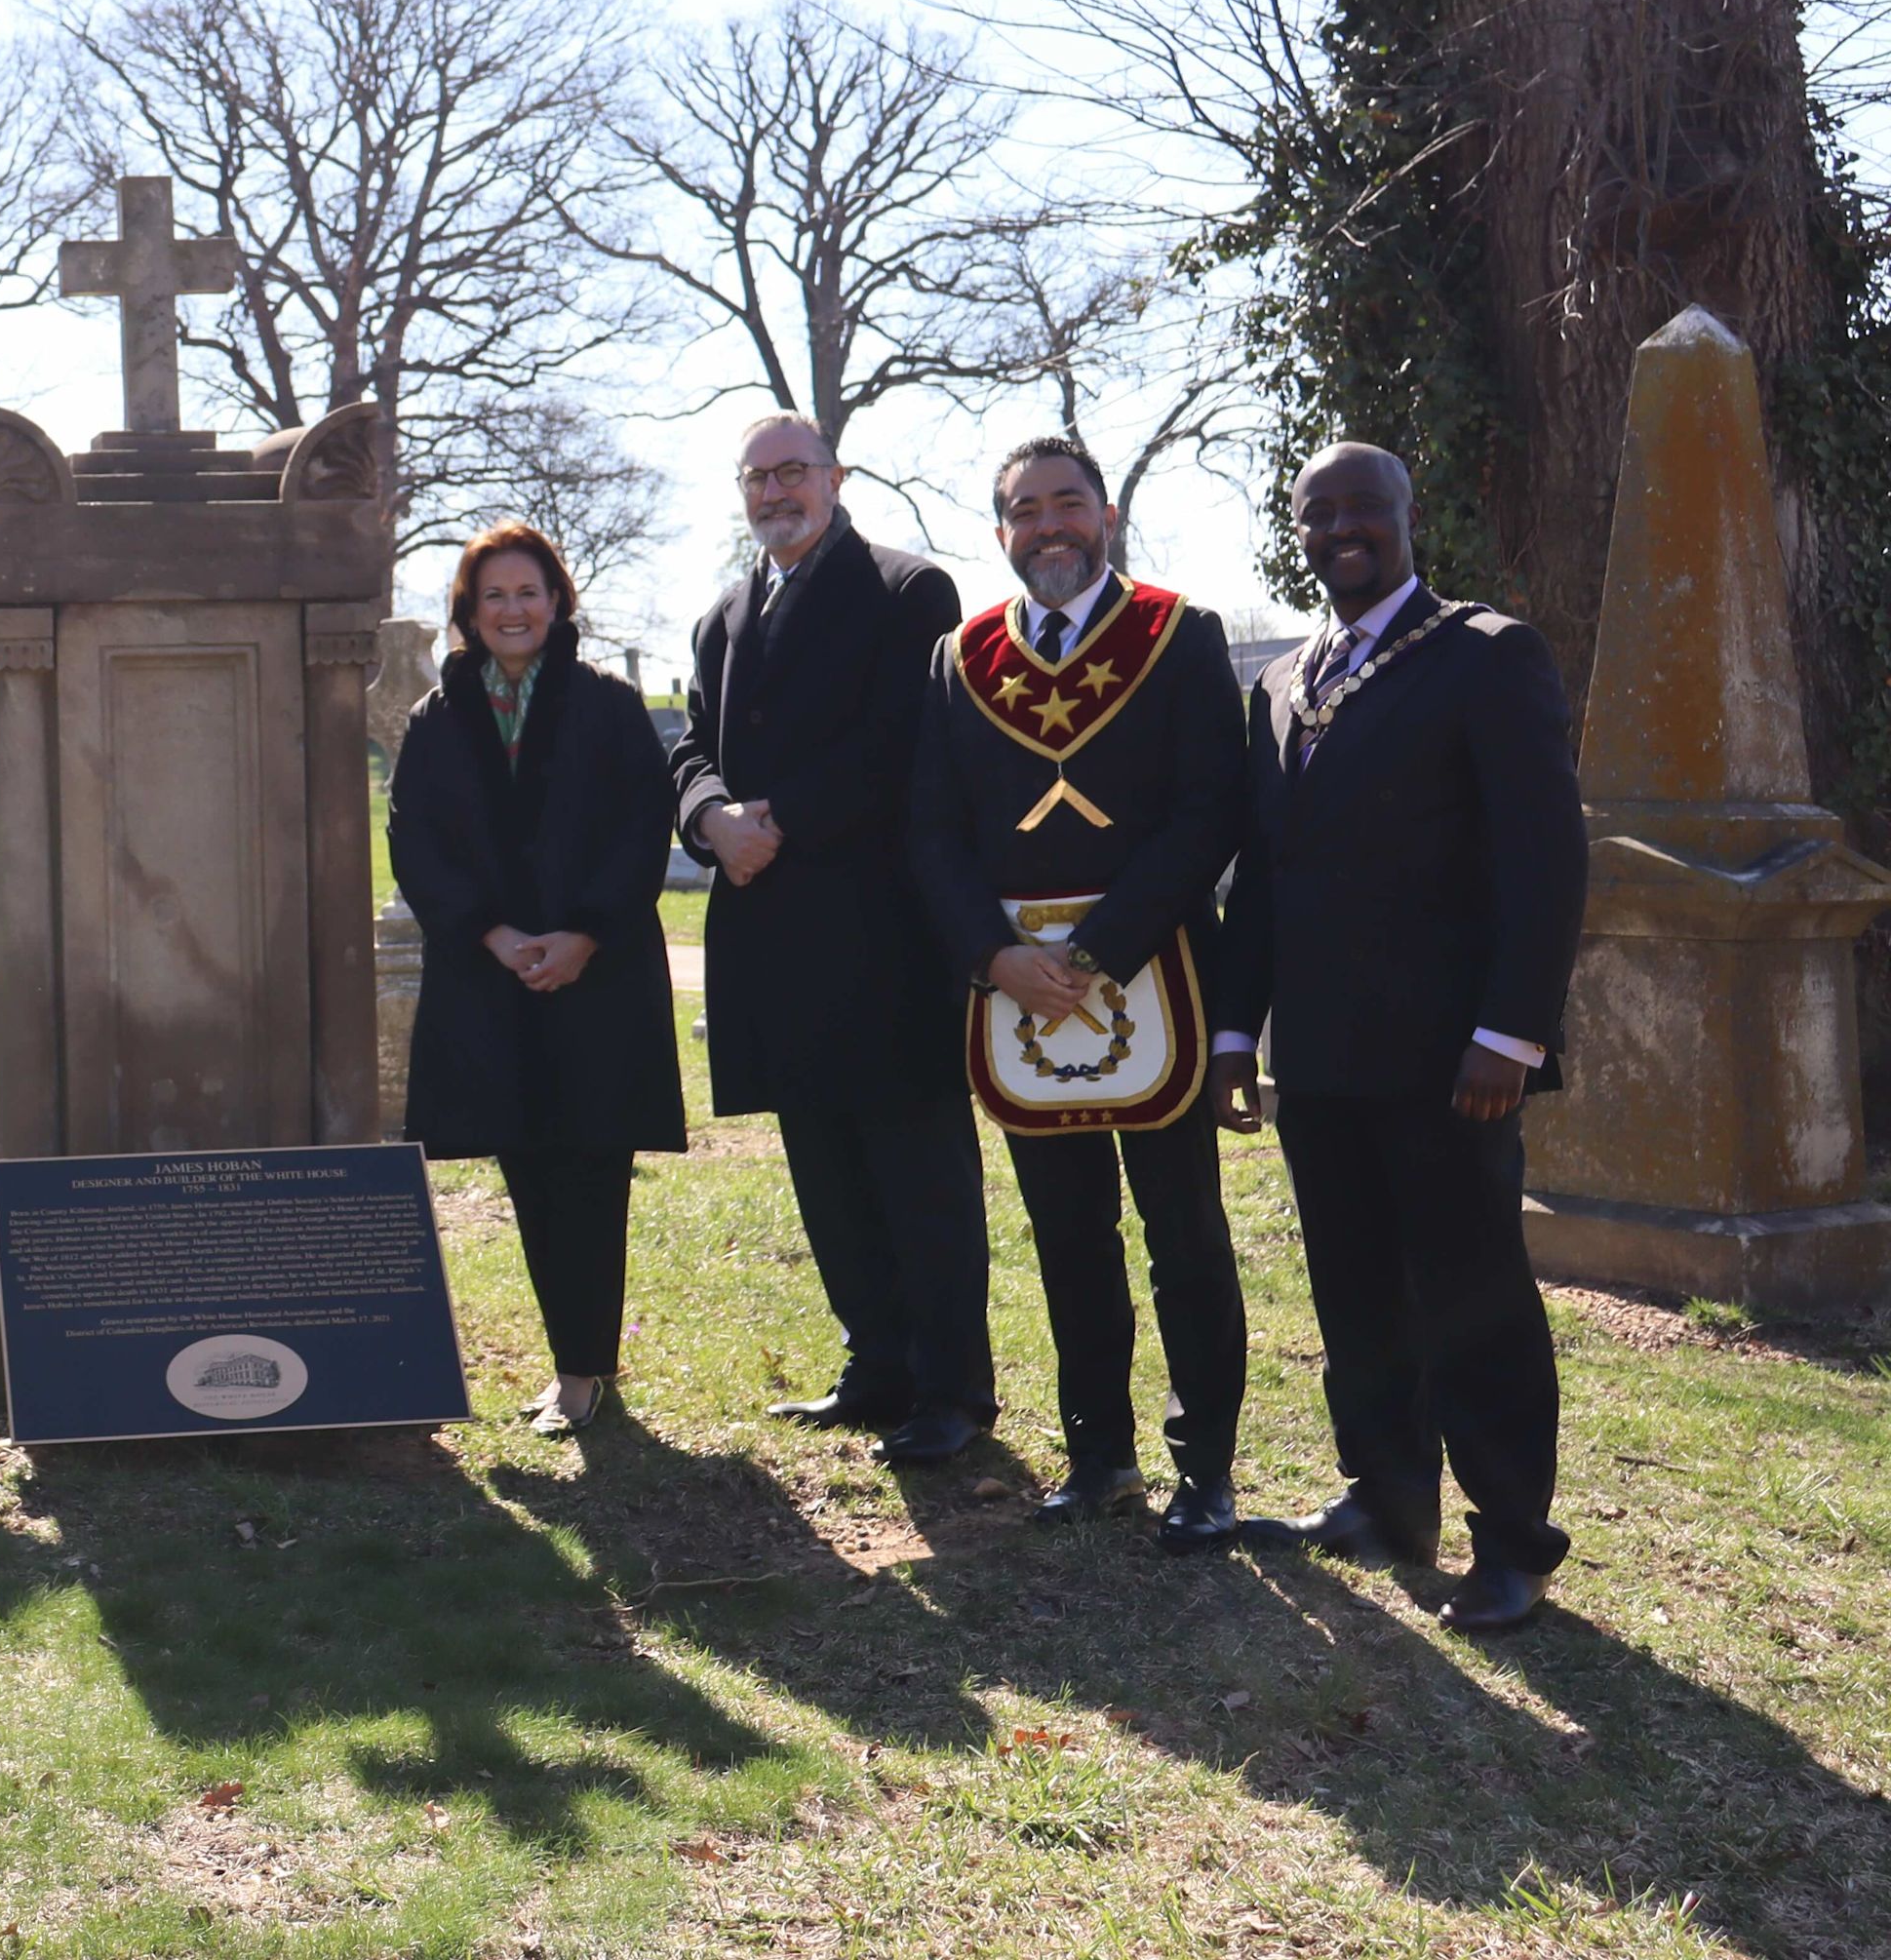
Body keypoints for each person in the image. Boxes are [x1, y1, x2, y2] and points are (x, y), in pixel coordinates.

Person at [1212, 442, 1588, 1632]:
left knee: (1468, 1291)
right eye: (1317, 514)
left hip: (1449, 1059)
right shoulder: (1283, 684)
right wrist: (1234, 1032)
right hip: (1317, 1060)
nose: (1341, 530)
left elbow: (1545, 857)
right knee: (1355, 1288)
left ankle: (1515, 1539)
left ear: (1408, 514)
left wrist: (1512, 1032)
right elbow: (1262, 884)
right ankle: (1386, 1499)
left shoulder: (1485, 654)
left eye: (1363, 507)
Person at [909, 438, 1248, 1550]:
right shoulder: (959, 658)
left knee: (1185, 1233)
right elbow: (934, 834)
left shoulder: (1179, 632)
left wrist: (1100, 951)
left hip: (1154, 978)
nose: (1048, 527)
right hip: (1016, 993)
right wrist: (992, 959)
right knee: (1067, 1234)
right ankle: (1098, 1452)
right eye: (1024, 511)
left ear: (1105, 515)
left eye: (1067, 505)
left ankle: (1207, 1471)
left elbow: (1209, 812)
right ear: (999, 528)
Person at [672, 412, 996, 1468]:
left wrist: (776, 823)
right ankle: (876, 1367)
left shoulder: (910, 592)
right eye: (755, 477)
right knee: (824, 1166)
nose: (774, 492)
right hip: (770, 939)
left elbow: (901, 741)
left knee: (918, 1170)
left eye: (792, 473)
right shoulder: (721, 618)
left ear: (836, 478)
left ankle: (953, 1389)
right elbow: (689, 748)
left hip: (882, 934)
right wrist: (710, 818)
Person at [386, 521, 687, 1436]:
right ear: (468, 616)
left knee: (592, 1170)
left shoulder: (609, 703)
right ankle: (572, 1362)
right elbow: (414, 839)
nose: (512, 610)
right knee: (529, 1171)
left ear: (558, 602)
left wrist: (583, 935)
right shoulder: (437, 719)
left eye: (528, 592)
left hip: (597, 978)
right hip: (493, 978)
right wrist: (496, 933)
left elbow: (643, 828)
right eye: (493, 597)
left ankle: (585, 1371)